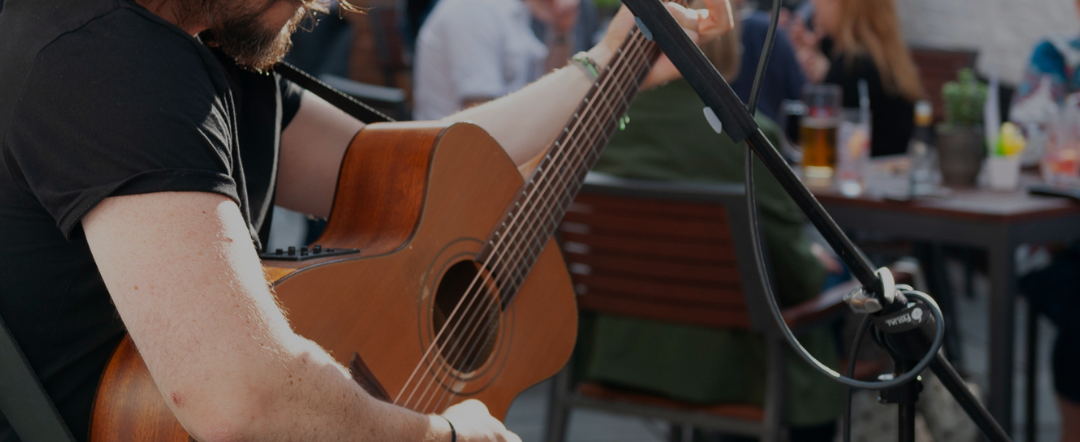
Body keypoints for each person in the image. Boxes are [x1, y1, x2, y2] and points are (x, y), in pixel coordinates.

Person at [0, 0, 733, 440]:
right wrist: (441, 434)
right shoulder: (109, 56)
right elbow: (238, 394)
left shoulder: (194, 56)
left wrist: (609, 62)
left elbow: (417, 167)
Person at [576, 16, 844, 441]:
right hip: (734, 370)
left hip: (615, 355)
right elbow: (801, 279)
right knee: (848, 284)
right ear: (726, 46)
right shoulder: (748, 139)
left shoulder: (597, 126)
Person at [787, 0, 924, 157]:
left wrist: (792, 70)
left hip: (859, 177)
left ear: (843, 5)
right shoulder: (885, 63)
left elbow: (800, 138)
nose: (813, 2)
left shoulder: (851, 67)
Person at [412, 0, 580, 120]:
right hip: (466, 159)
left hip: (497, 146)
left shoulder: (511, 8)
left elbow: (546, 81)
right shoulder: (472, 10)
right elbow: (480, 115)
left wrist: (560, 31)